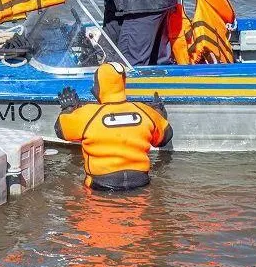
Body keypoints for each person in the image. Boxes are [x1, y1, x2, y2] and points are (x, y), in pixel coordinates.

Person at [54, 62, 173, 191]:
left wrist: (69, 109)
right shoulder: (145, 111)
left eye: (95, 84)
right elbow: (164, 138)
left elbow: (61, 130)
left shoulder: (87, 114)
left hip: (100, 186)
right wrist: (159, 113)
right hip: (140, 183)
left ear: (100, 87)